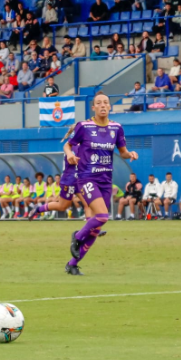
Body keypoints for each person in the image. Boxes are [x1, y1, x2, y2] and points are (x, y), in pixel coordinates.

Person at [65, 93, 138, 275]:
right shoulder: (84, 126)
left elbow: (122, 152)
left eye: (106, 102)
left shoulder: (117, 128)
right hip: (87, 178)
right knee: (103, 216)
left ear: (110, 107)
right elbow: (68, 145)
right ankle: (77, 236)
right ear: (93, 107)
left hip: (106, 180)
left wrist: (130, 154)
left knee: (96, 228)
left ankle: (72, 264)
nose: (103, 105)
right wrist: (70, 154)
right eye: (99, 103)